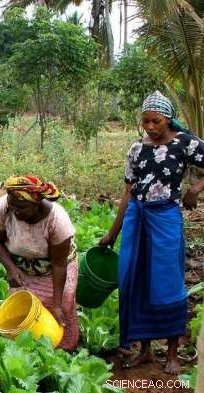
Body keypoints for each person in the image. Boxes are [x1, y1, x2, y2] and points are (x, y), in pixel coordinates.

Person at [99, 91, 204, 375]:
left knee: (168, 282)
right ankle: (144, 350)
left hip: (166, 218)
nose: (150, 127)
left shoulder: (185, 143)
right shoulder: (136, 149)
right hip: (137, 217)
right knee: (135, 280)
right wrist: (112, 233)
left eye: (155, 121)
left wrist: (194, 189)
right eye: (145, 121)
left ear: (168, 119)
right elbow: (128, 193)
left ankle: (171, 352)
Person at [0, 175, 80, 350]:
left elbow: (59, 265)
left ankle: (66, 351)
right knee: (24, 310)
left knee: (61, 310)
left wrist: (57, 305)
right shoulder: (2, 209)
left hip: (56, 269)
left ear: (36, 204)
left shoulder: (57, 221)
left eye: (21, 207)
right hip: (22, 269)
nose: (15, 211)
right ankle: (28, 351)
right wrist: (11, 268)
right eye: (11, 205)